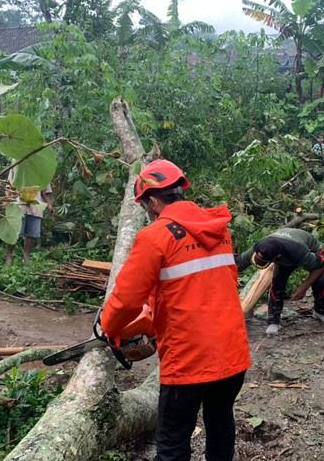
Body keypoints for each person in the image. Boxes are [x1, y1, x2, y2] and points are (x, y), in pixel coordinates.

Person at [100, 159, 251, 461]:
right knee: (221, 428)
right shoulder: (220, 230)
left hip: (188, 363)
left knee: (172, 444)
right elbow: (208, 287)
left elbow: (127, 300)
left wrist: (108, 328)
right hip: (232, 356)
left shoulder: (154, 237)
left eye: (145, 205)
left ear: (153, 201)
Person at [236, 228, 324, 335]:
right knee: (277, 283)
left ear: (277, 257)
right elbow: (240, 263)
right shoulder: (260, 245)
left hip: (309, 249)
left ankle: (320, 311)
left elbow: (319, 267)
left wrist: (304, 287)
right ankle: (273, 320)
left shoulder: (298, 251)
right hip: (284, 250)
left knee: (322, 281)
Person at [5, 169, 53, 263]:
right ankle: (9, 255)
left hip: (35, 205)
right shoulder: (17, 165)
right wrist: (7, 200)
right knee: (14, 232)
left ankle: (26, 257)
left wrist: (49, 204)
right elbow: (9, 186)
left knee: (31, 234)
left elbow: (45, 189)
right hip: (19, 204)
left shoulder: (41, 168)